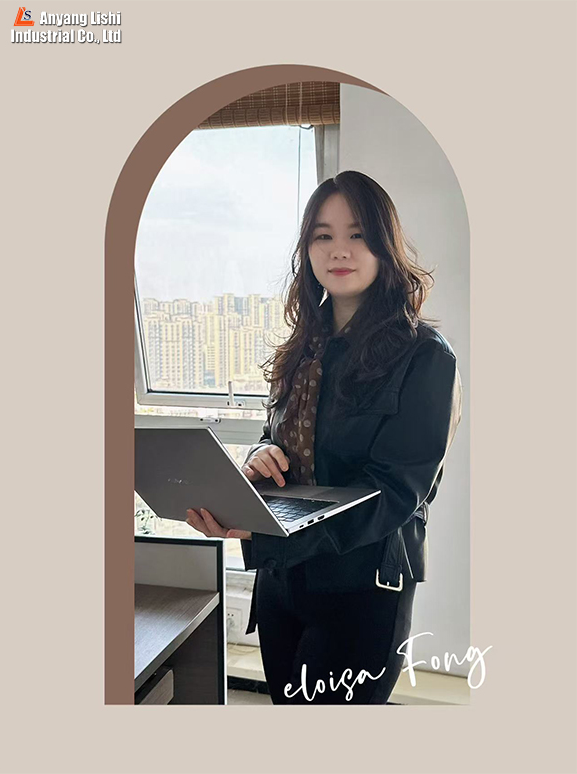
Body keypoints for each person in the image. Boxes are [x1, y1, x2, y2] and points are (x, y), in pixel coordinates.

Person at [186, 170, 463, 704]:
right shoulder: (301, 349)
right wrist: (261, 455)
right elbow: (277, 437)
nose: (339, 249)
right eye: (323, 235)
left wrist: (267, 533)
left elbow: (396, 493)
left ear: (385, 245)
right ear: (307, 249)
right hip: (282, 584)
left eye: (357, 234)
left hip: (361, 590)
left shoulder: (425, 357)